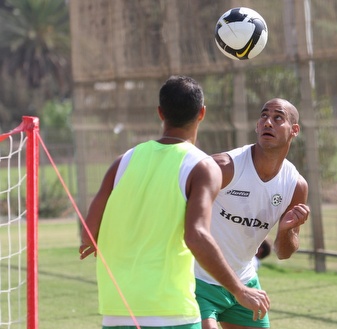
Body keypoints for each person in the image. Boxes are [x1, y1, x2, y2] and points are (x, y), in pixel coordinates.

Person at [79, 76, 270, 329]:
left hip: (117, 312)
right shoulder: (202, 167)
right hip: (171, 314)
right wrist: (239, 289)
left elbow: (87, 235)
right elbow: (197, 236)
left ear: (160, 113)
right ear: (202, 113)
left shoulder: (122, 162)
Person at [194, 98, 310, 329]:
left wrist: (286, 230)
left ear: (294, 130)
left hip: (244, 283)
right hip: (199, 281)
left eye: (278, 118)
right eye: (264, 116)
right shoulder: (225, 167)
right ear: (257, 126)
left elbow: (283, 252)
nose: (268, 122)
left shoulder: (295, 185)